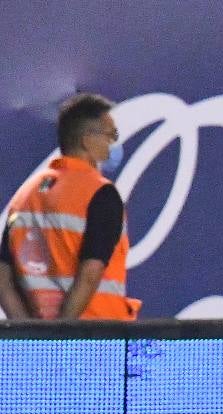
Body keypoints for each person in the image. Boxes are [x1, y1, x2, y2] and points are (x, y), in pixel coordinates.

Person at [0, 92, 140, 320]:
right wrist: (63, 333)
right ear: (87, 140)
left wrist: (30, 332)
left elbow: (2, 279)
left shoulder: (24, 196)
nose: (113, 145)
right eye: (110, 135)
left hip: (41, 335)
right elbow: (90, 274)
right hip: (99, 332)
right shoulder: (100, 193)